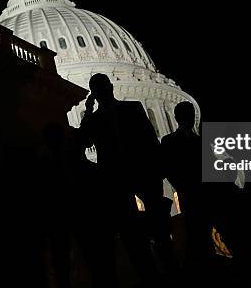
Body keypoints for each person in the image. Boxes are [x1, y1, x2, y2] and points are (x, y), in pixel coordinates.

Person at [78, 73, 168, 287]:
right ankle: (148, 275)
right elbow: (82, 140)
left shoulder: (133, 108)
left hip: (142, 174)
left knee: (160, 230)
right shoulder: (95, 119)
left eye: (103, 86)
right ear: (95, 93)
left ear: (110, 87)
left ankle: (166, 271)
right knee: (132, 236)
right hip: (115, 181)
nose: (102, 91)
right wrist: (88, 111)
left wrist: (156, 171)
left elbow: (149, 139)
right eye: (97, 89)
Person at [161, 101, 214, 267]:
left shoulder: (201, 141)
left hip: (206, 192)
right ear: (177, 118)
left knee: (209, 230)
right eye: (185, 115)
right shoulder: (169, 141)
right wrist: (184, 186)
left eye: (191, 115)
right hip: (188, 193)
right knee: (195, 232)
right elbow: (168, 169)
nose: (189, 118)